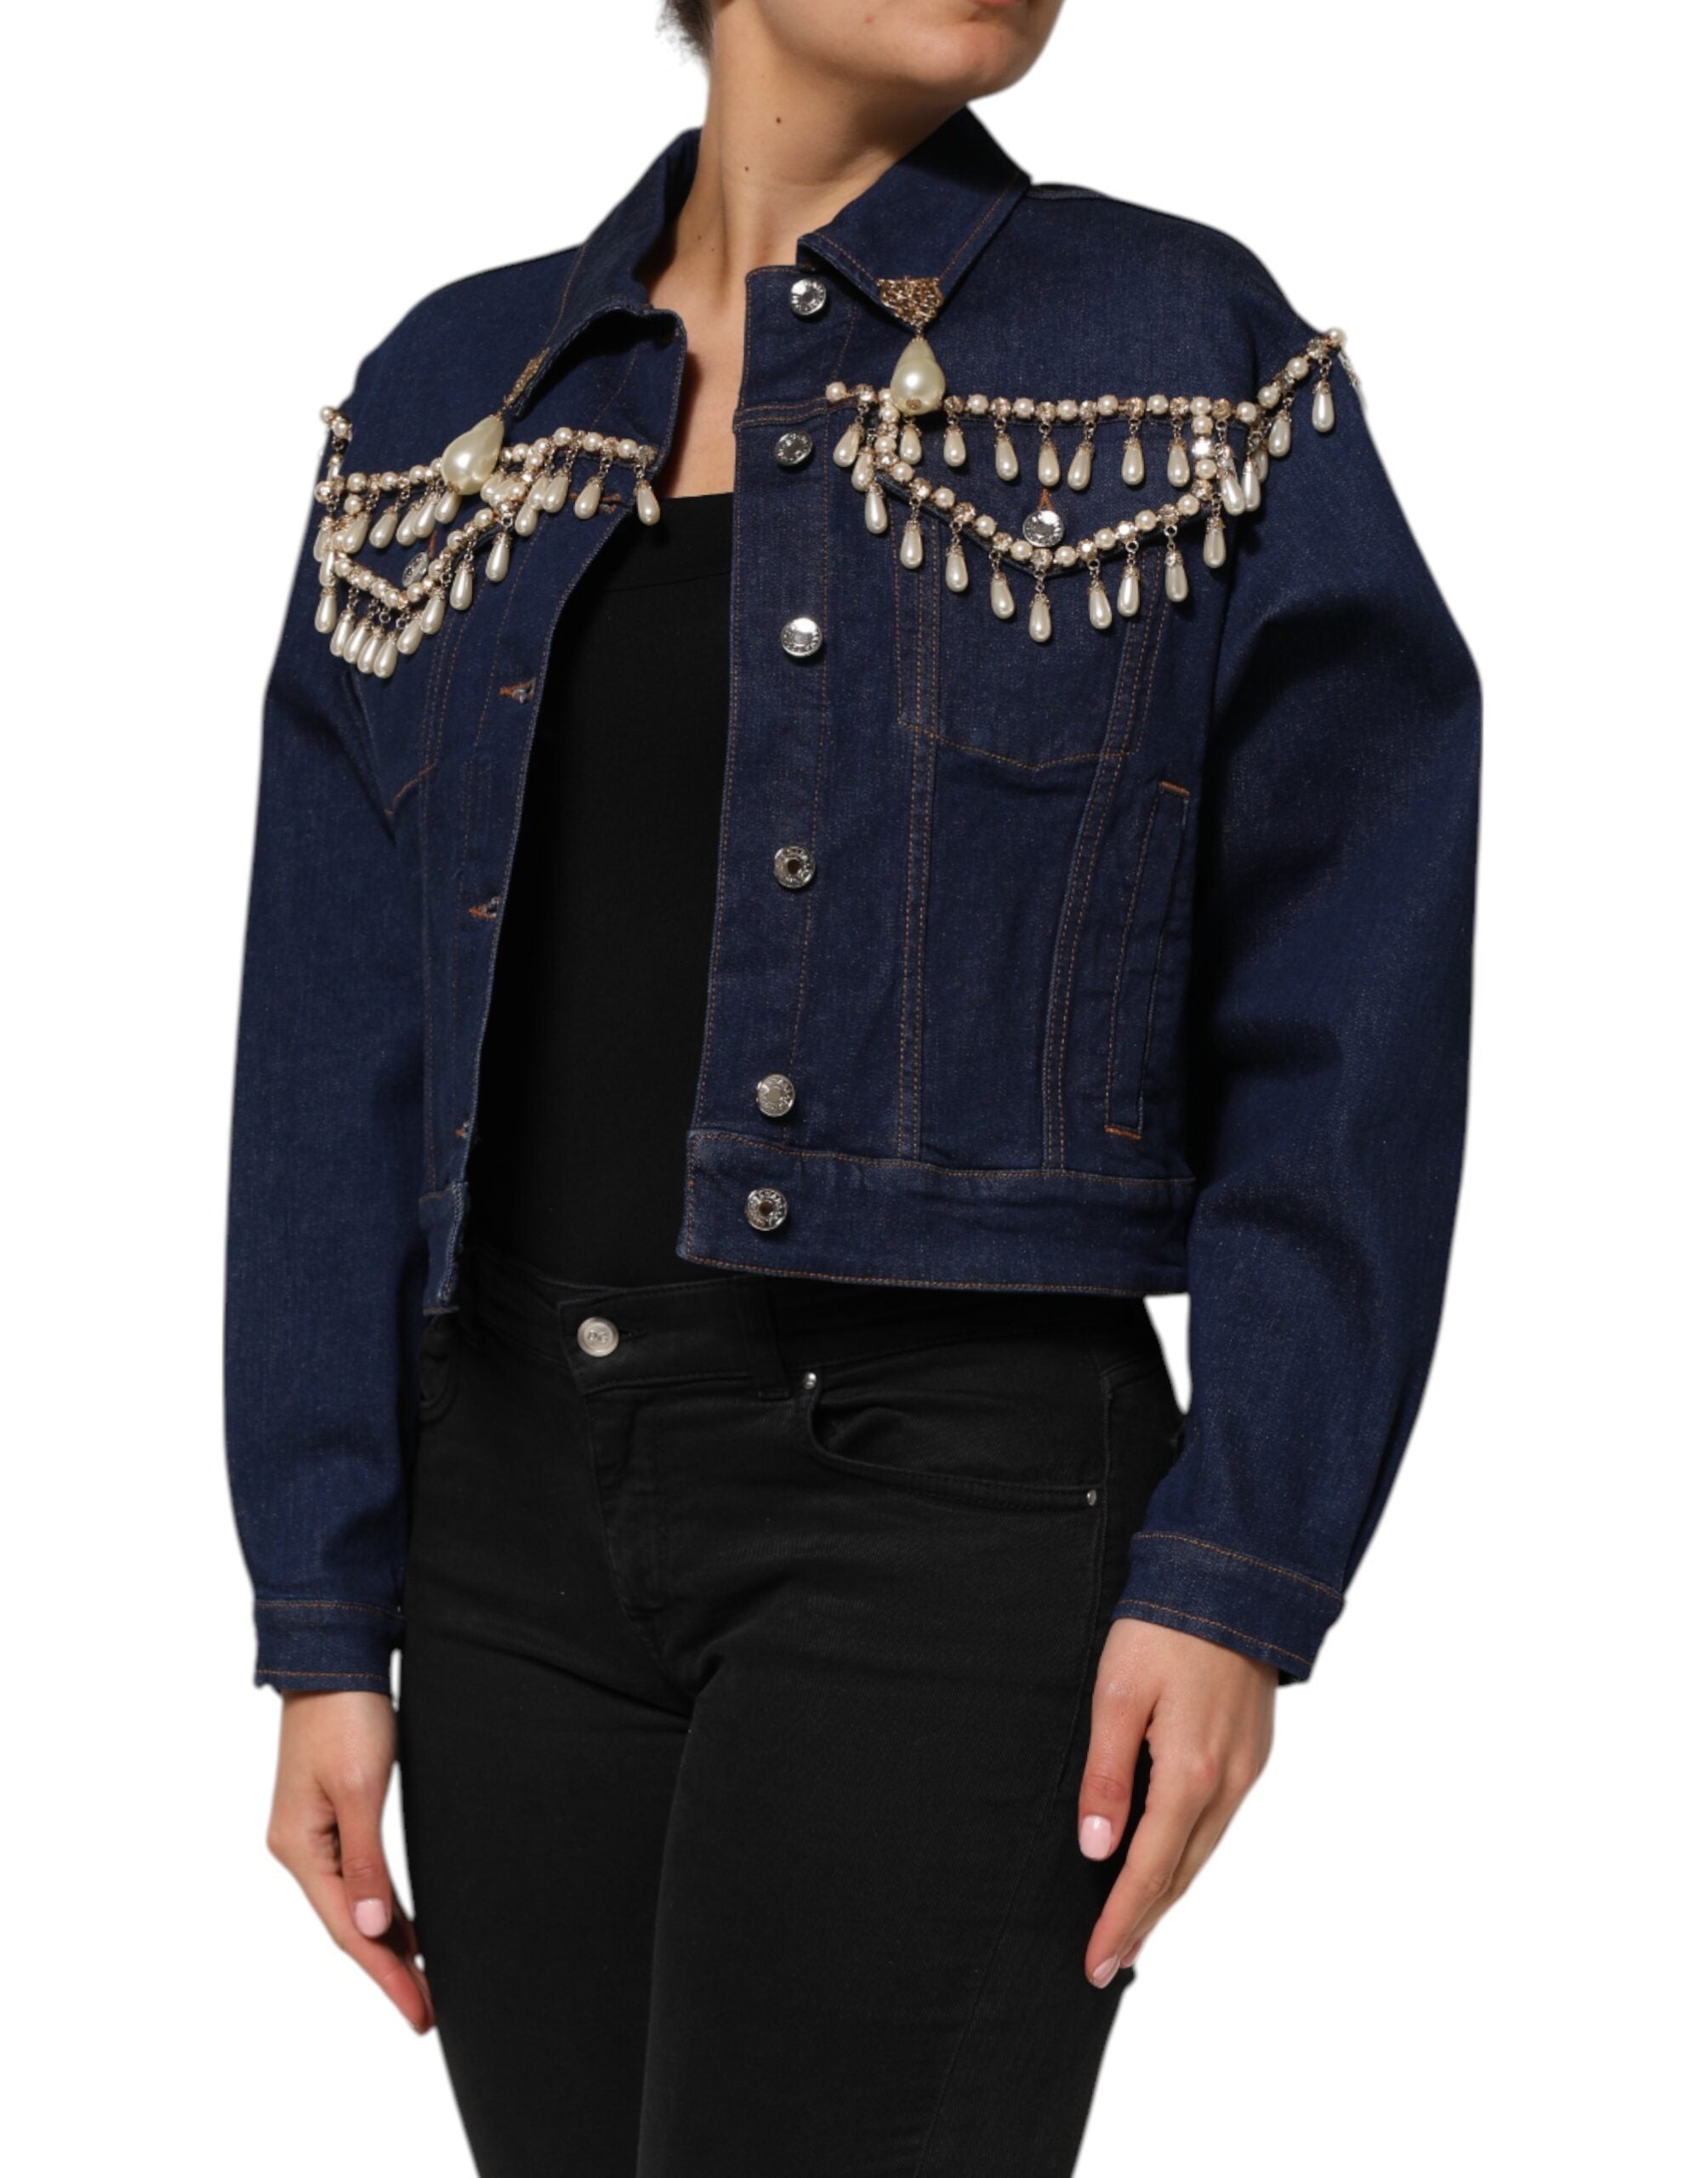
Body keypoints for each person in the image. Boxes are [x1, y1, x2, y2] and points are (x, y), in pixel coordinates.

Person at [227, 1, 1478, 2169]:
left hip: (945, 1513)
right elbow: (333, 1045)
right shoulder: (455, 397)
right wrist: (322, 1611)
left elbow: (1347, 997)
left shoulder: (1177, 349)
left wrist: (1239, 1560)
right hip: (507, 1529)